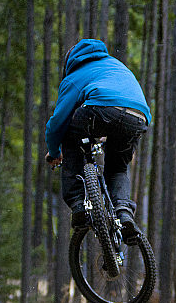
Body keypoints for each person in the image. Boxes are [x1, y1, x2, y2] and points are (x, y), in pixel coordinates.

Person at [45, 38, 151, 242]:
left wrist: (55, 151)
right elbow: (123, 102)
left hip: (101, 108)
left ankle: (78, 204)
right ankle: (123, 212)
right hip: (138, 115)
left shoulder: (74, 76)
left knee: (68, 134)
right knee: (118, 168)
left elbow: (56, 123)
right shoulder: (116, 66)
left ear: (70, 63)